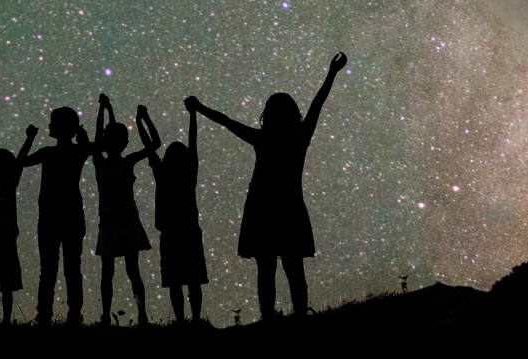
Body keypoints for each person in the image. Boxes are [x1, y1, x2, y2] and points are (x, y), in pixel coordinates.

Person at [188, 51, 348, 320]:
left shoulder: (262, 137)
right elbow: (318, 103)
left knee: (268, 266)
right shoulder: (299, 135)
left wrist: (200, 107)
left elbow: (227, 121)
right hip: (286, 203)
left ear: (269, 114)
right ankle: (296, 317)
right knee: (291, 265)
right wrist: (331, 73)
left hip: (263, 204)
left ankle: (268, 317)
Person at [137, 102, 210, 324]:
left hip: (170, 233)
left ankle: (179, 321)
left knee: (175, 281)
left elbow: (149, 146)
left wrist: (141, 120)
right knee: (193, 280)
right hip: (188, 231)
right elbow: (193, 141)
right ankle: (196, 319)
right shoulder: (189, 174)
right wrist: (193, 115)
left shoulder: (162, 174)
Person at [90, 94, 156, 326]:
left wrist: (141, 120)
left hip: (124, 221)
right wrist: (105, 109)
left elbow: (154, 144)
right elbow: (100, 136)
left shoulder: (117, 162)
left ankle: (141, 314)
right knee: (112, 272)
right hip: (113, 221)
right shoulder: (104, 160)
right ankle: (110, 315)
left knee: (129, 271)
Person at [29, 104, 94, 324]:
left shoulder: (48, 152)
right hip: (70, 215)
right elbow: (96, 145)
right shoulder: (76, 151)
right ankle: (72, 312)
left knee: (49, 267)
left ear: (62, 126)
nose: (49, 124)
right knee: (71, 266)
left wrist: (29, 139)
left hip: (51, 216)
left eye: (52, 121)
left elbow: (20, 162)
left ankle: (45, 313)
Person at [0, 122, 41, 324]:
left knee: (6, 282)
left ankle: (4, 319)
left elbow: (19, 161)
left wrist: (29, 139)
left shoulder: (10, 183)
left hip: (2, 236)